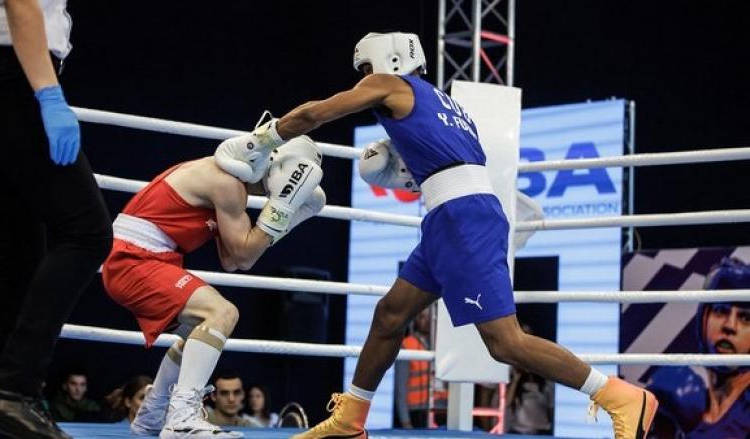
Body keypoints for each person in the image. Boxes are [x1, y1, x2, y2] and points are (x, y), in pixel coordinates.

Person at [216, 31, 658, 439]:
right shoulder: (446, 106)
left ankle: (619, 395)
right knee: (390, 314)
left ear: (385, 60)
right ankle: (351, 419)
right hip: (450, 218)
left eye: (365, 71)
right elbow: (446, 165)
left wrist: (264, 139)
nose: (363, 82)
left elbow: (316, 112)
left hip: (462, 218)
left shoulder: (388, 84)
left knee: (505, 342)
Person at [101, 135, 325, 438]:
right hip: (134, 258)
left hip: (142, 259)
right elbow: (245, 257)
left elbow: (232, 260)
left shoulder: (235, 187)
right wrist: (284, 208)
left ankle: (152, 415)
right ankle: (181, 418)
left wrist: (287, 214)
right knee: (222, 313)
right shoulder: (227, 183)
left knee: (197, 333)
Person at [0, 0, 113, 437]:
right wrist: (48, 94)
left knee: (17, 254)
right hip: (9, 69)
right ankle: (12, 391)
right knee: (87, 232)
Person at [646, 257, 750, 438]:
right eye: (720, 310)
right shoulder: (683, 406)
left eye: (745, 318)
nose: (730, 326)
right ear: (703, 320)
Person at [394, 307, 446, 429]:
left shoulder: (444, 344)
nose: (427, 321)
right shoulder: (407, 345)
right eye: (422, 317)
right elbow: (401, 388)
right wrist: (405, 421)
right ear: (415, 320)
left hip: (443, 410)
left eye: (430, 316)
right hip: (417, 411)